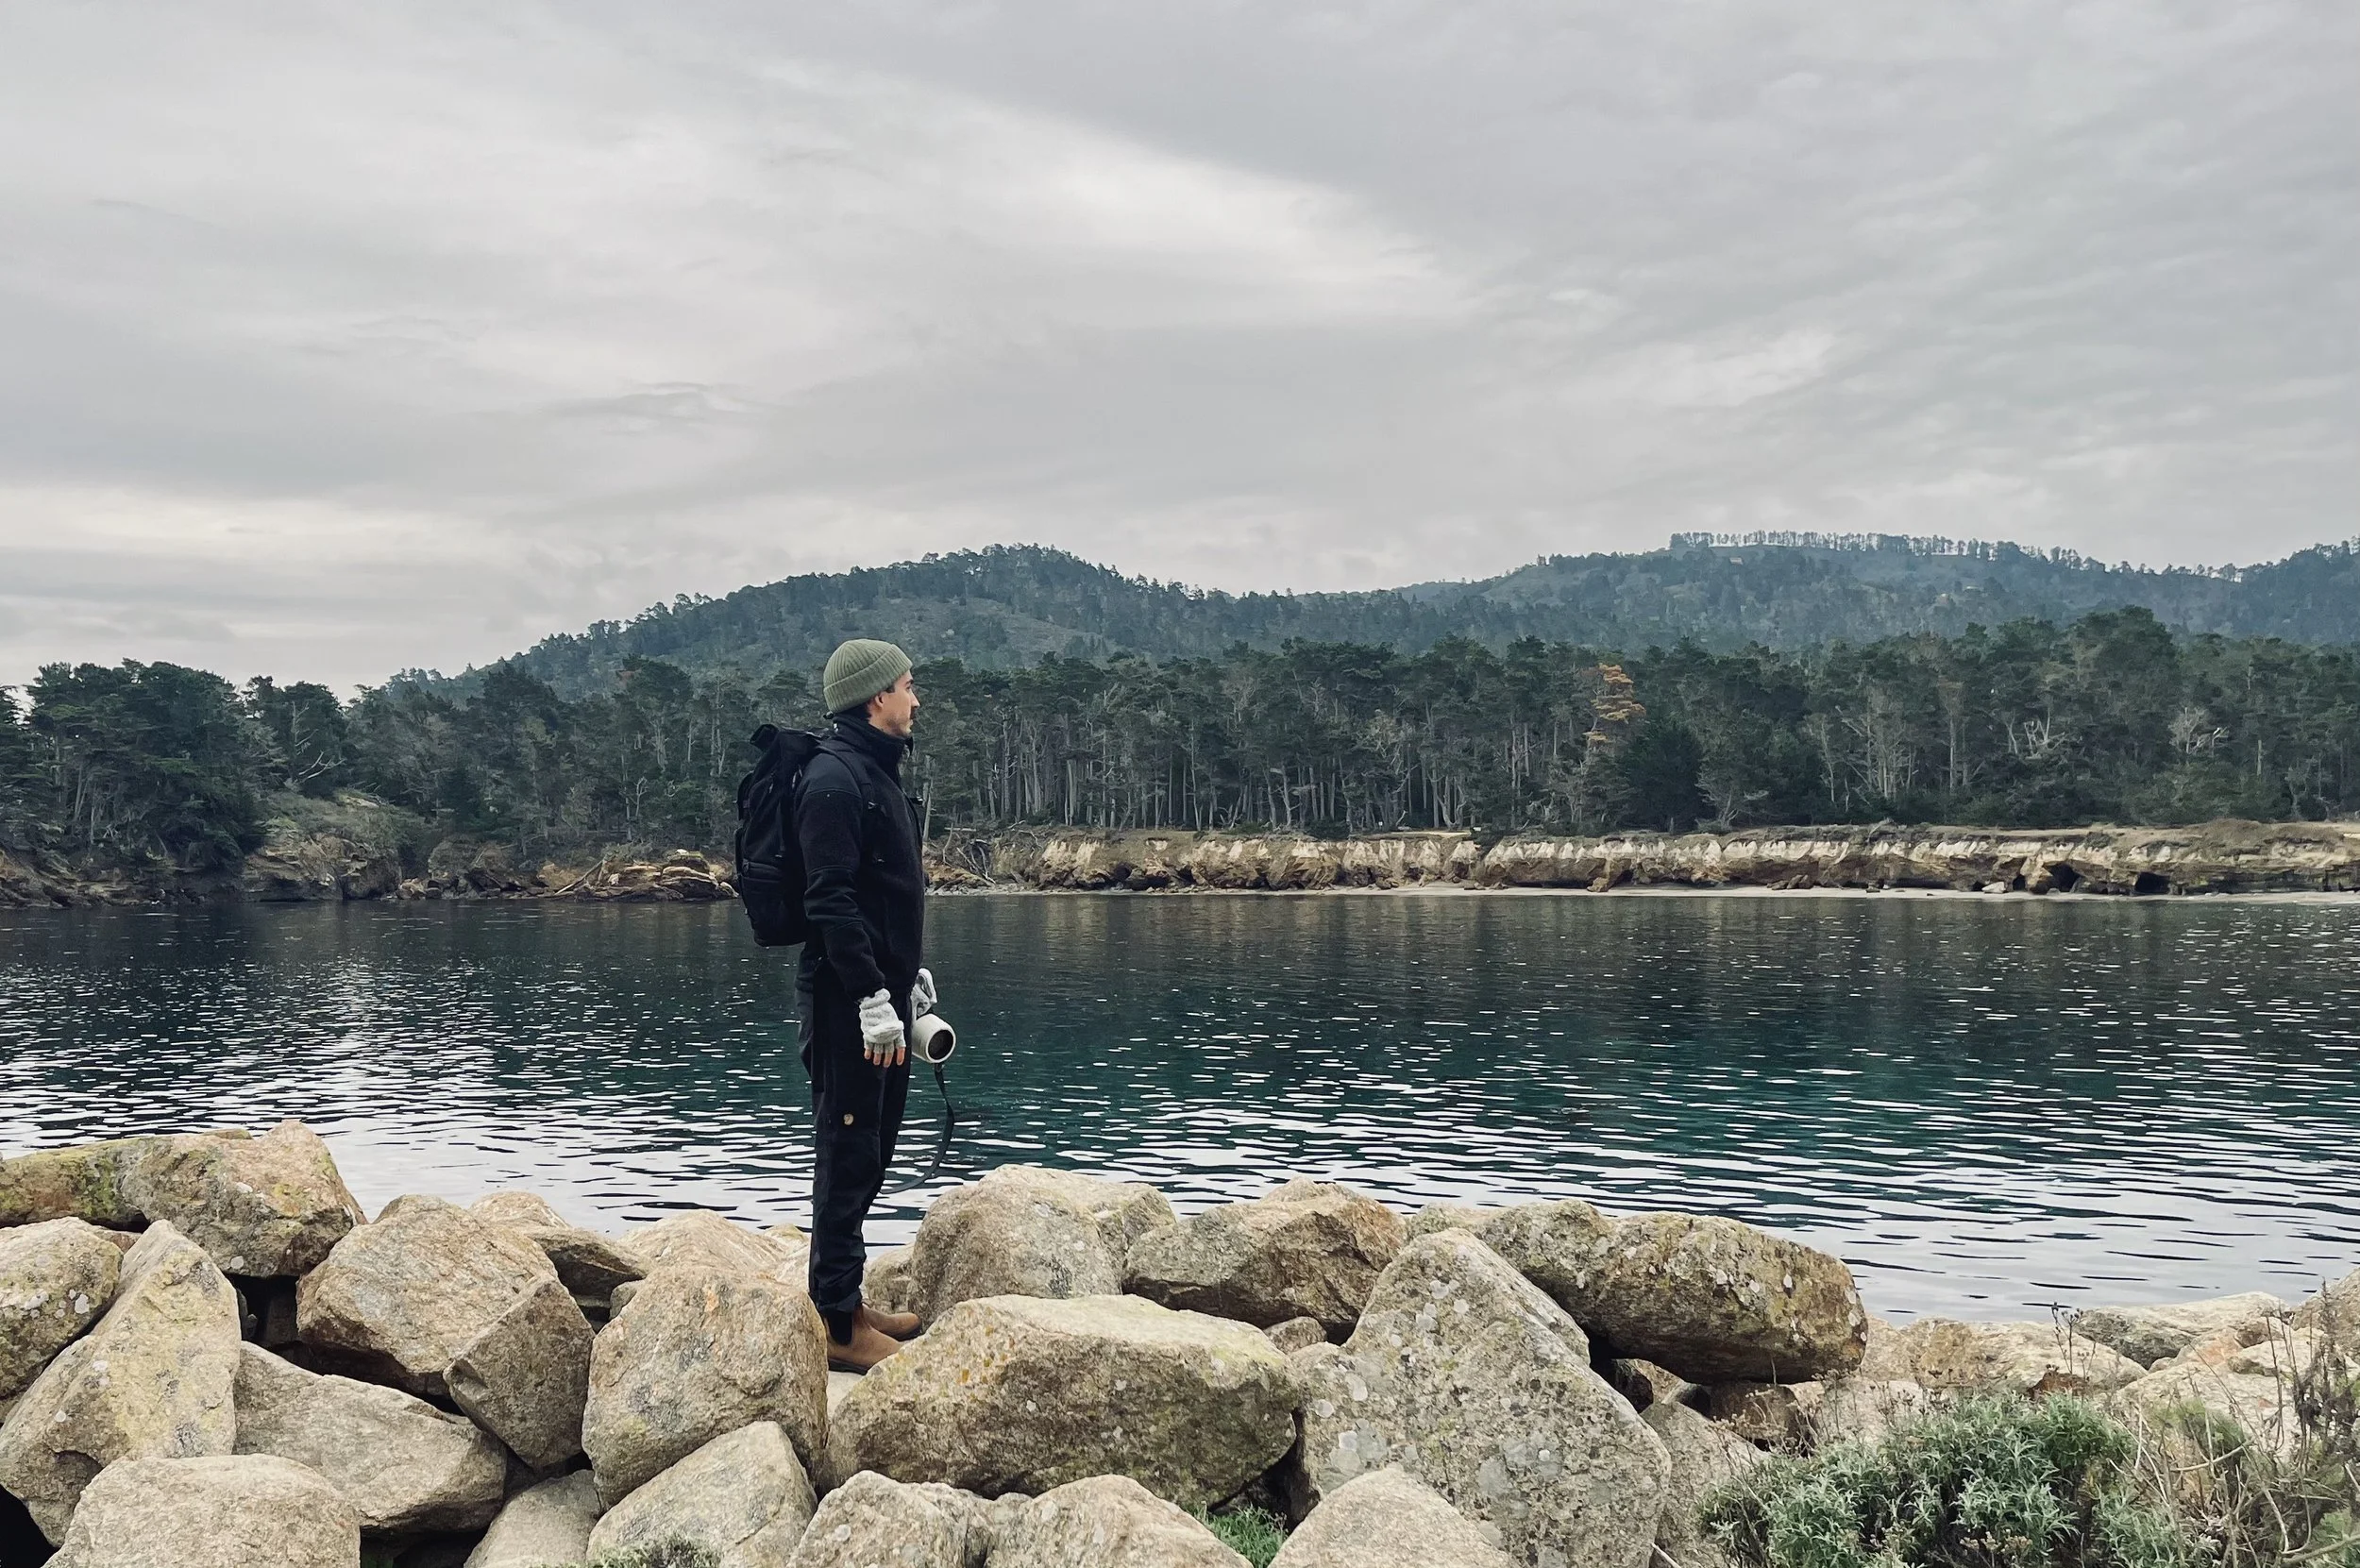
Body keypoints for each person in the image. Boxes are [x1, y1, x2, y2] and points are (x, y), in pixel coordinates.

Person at [797, 638, 933, 1373]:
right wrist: (870, 998)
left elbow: (882, 897)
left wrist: (909, 975)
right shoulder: (832, 779)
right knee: (848, 1153)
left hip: (882, 995)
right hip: (850, 1005)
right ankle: (839, 1330)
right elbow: (830, 901)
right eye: (909, 686)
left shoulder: (876, 773)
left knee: (872, 1150)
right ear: (876, 696)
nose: (917, 700)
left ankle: (841, 1301)